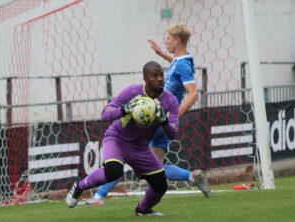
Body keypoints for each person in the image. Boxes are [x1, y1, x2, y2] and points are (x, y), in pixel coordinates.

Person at [88, 23, 212, 206]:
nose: (166, 40)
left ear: (177, 40)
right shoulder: (182, 60)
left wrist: (172, 116)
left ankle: (99, 196)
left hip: (156, 118)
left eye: (168, 38)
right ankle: (192, 176)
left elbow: (193, 93)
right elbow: (178, 68)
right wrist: (161, 54)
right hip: (154, 114)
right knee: (153, 167)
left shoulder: (183, 64)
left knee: (129, 153)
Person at [66, 61, 179, 216]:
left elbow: (173, 134)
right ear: (145, 78)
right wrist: (124, 109)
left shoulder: (170, 101)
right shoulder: (132, 91)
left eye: (161, 75)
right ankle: (79, 186)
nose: (160, 78)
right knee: (113, 171)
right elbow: (105, 113)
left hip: (140, 147)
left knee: (160, 185)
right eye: (154, 75)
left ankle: (143, 210)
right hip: (117, 139)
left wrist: (163, 121)